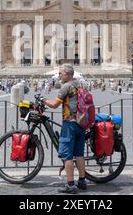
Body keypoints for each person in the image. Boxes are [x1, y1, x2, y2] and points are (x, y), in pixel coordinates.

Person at [43, 64, 86, 194]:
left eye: (61, 73)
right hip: (81, 122)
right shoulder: (79, 84)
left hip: (70, 124)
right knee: (79, 154)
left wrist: (44, 100)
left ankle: (71, 185)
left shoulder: (66, 86)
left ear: (67, 74)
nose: (59, 75)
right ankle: (82, 181)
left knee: (67, 155)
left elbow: (55, 105)